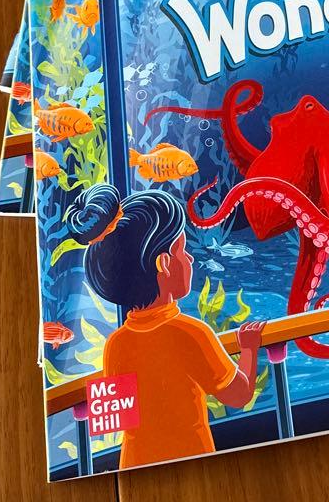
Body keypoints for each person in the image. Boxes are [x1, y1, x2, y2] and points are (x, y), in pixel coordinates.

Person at [67, 183, 266, 469]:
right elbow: (239, 395)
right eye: (183, 251)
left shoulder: (115, 344)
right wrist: (249, 348)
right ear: (164, 264)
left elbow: (117, 420)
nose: (190, 258)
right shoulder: (191, 332)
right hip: (190, 461)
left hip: (134, 466)